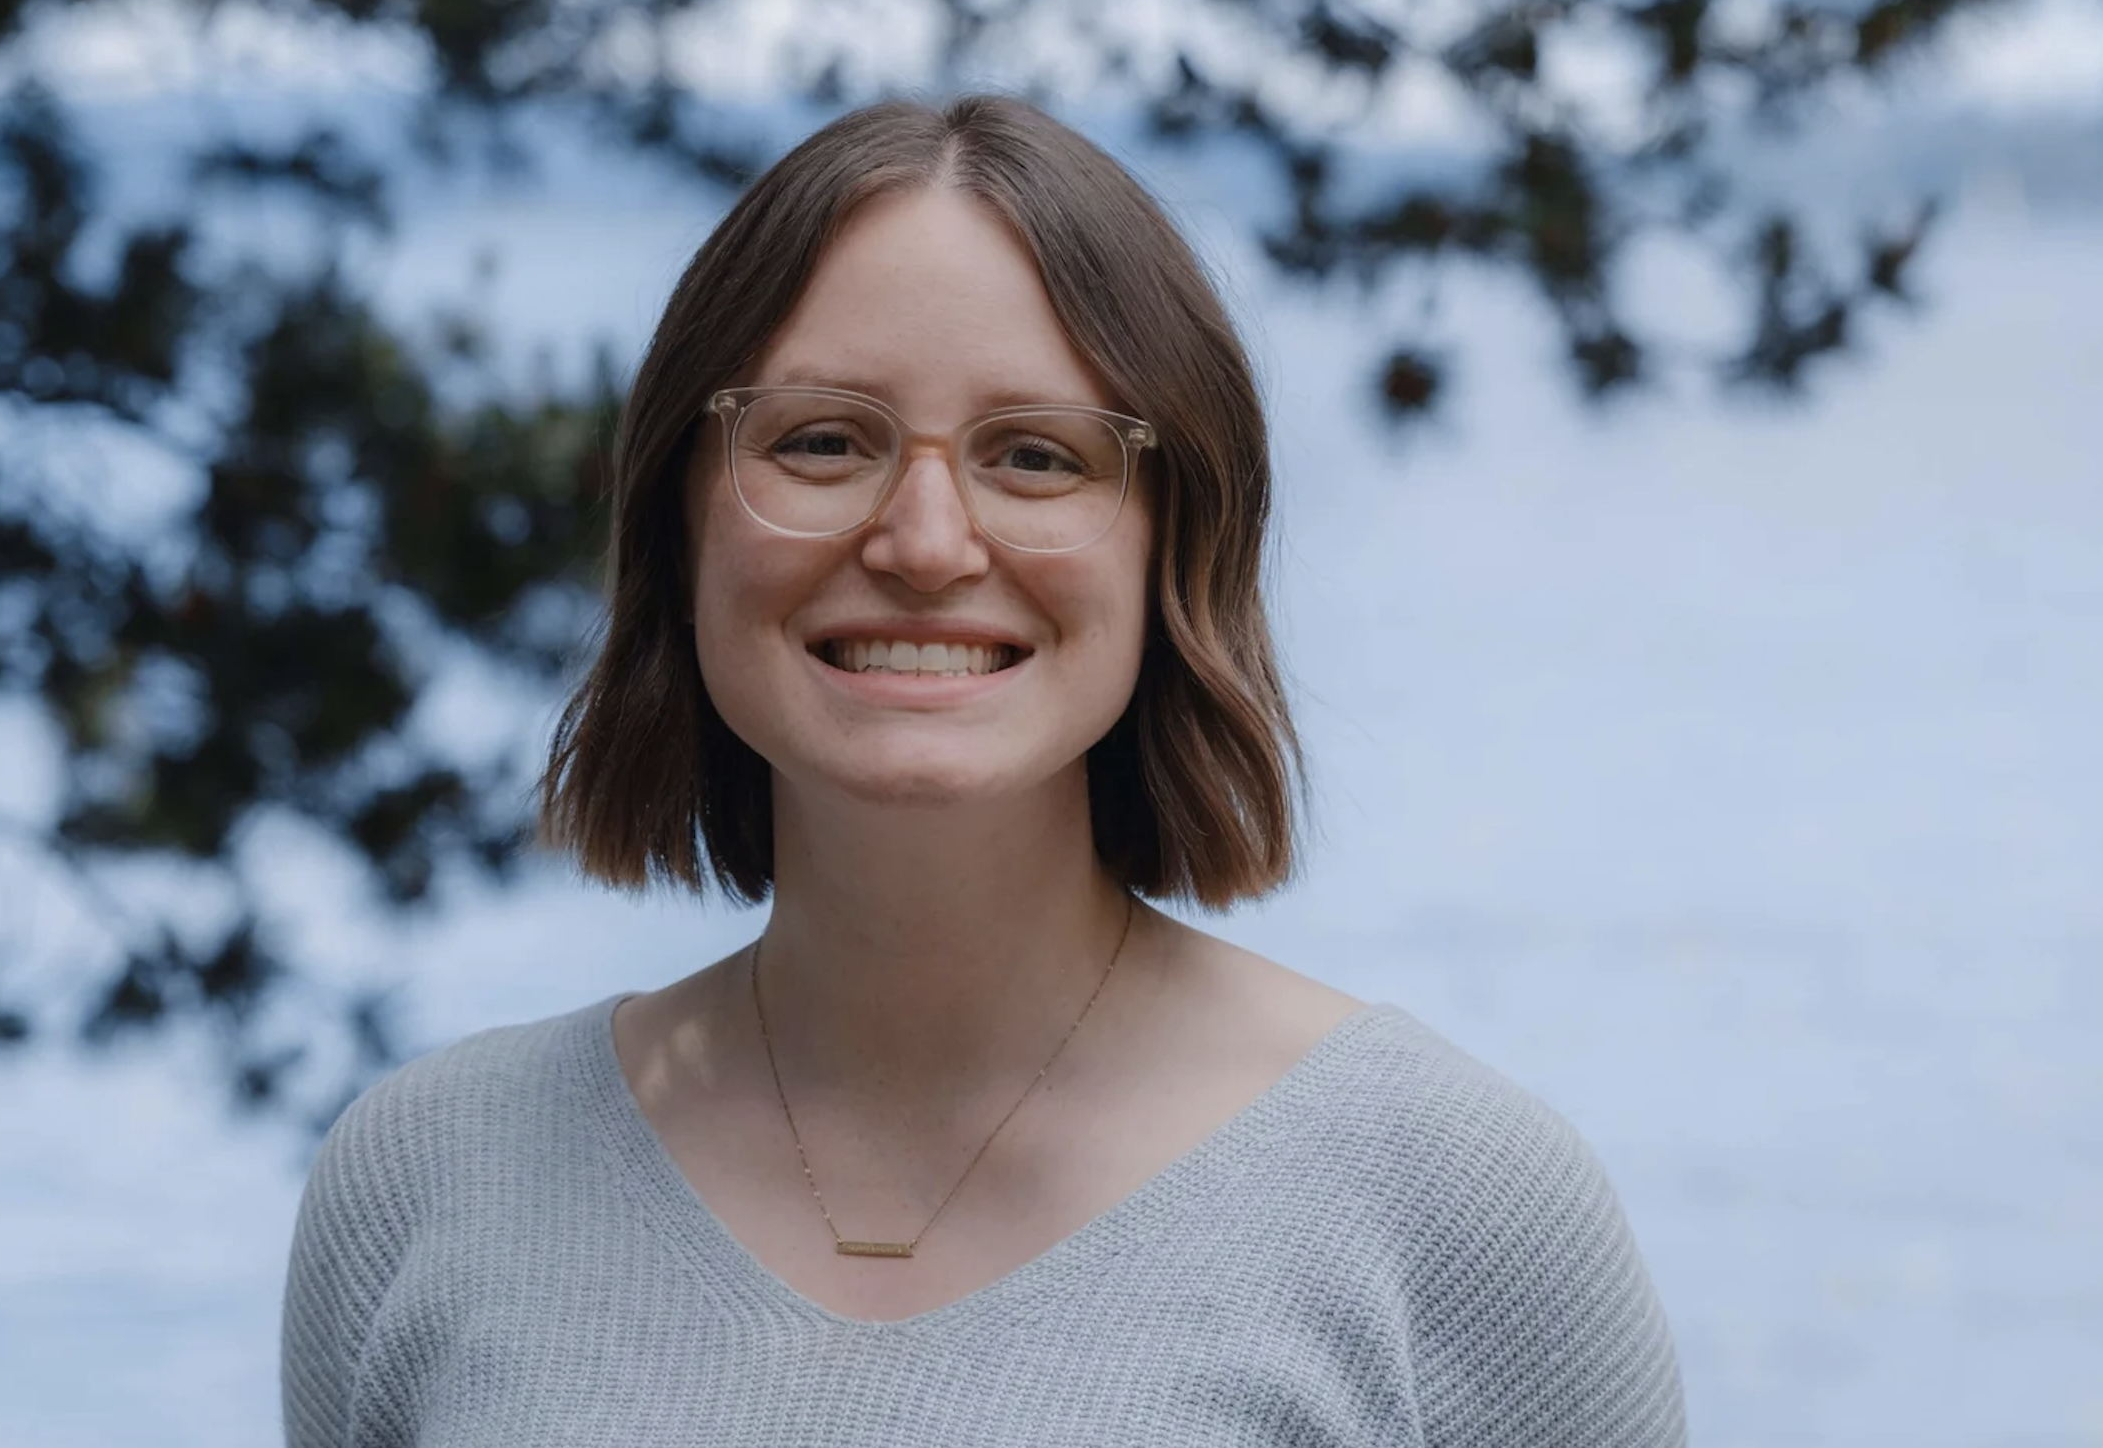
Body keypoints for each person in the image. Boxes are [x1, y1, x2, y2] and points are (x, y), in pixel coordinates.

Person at [281, 95, 1687, 1446]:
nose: (927, 540)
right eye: (822, 439)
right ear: (680, 519)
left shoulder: (1454, 1206)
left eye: (1035, 456)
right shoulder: (426, 1180)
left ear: (1171, 546)